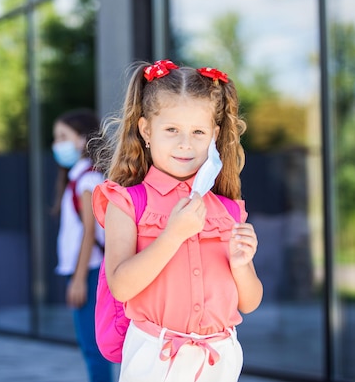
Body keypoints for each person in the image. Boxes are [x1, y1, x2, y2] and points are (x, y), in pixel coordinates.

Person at [91, 60, 263, 382]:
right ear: (146, 130)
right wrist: (173, 236)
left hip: (219, 359)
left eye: (198, 132)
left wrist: (241, 264)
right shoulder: (128, 203)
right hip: (154, 360)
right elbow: (121, 285)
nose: (185, 143)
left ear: (213, 136)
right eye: (172, 130)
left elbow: (250, 302)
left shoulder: (228, 210)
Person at [51, 109, 113, 382]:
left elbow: (90, 231)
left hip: (89, 272)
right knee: (90, 344)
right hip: (83, 271)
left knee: (93, 346)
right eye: (56, 137)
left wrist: (78, 280)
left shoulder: (88, 180)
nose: (57, 144)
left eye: (63, 136)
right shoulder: (77, 178)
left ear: (82, 140)